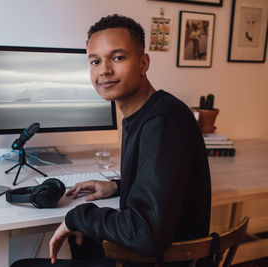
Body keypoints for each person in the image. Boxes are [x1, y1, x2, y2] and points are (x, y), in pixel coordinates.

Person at [11, 14, 211, 267]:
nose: (104, 70)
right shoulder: (146, 113)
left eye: (118, 58)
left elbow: (146, 233)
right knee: (81, 239)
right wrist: (117, 186)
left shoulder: (162, 122)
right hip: (153, 254)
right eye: (95, 61)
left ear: (143, 63)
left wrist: (79, 216)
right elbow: (163, 183)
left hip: (159, 259)